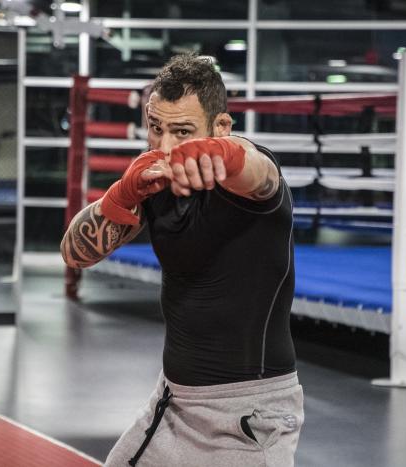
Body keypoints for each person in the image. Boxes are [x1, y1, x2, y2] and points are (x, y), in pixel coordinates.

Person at [61, 53, 304, 467]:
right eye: (157, 128)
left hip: (246, 417)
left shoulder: (252, 182)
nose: (167, 145)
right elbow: (75, 253)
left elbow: (258, 172)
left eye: (183, 131)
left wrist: (223, 156)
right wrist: (123, 194)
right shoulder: (154, 180)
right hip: (172, 402)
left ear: (221, 126)